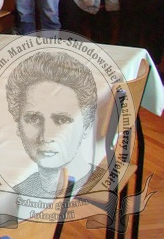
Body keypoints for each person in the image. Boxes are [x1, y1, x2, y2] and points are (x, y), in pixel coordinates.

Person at [6, 51, 104, 198]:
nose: (46, 136)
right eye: (33, 119)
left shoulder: (99, 188)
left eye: (62, 120)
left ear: (87, 125)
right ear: (18, 126)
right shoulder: (15, 193)